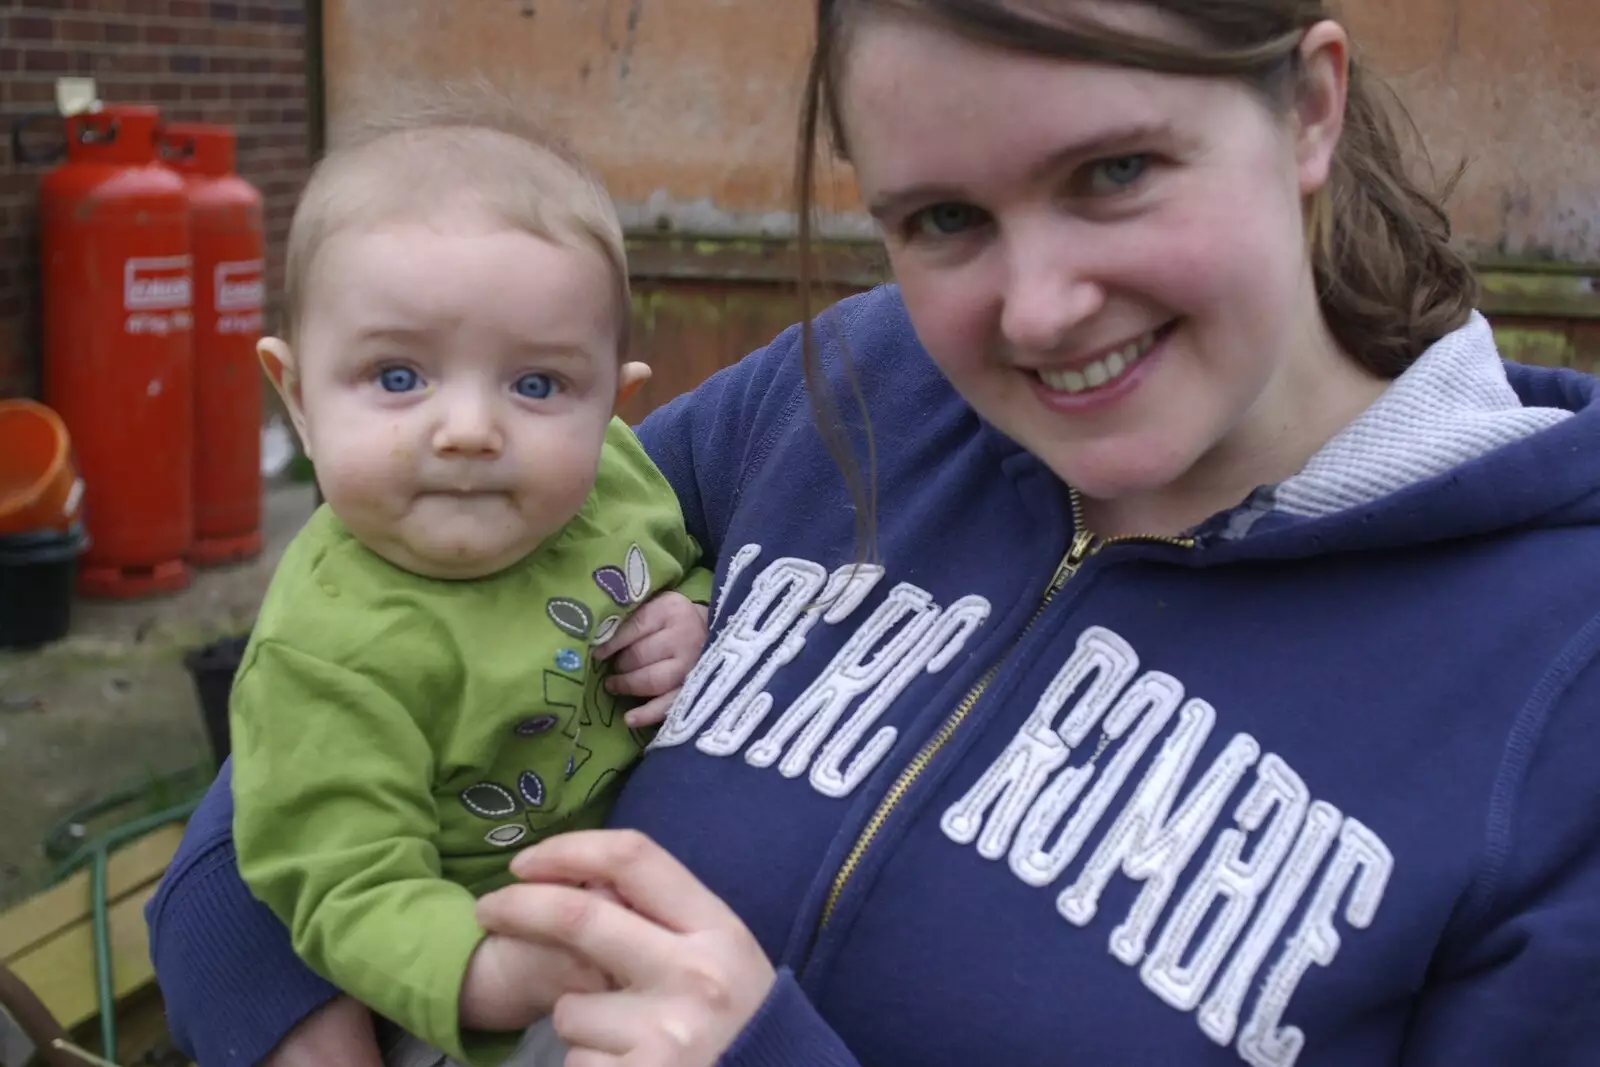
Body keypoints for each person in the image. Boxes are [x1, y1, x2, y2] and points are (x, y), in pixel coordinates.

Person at [147, 1, 1600, 1064]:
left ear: (1309, 110)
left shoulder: (1557, 676)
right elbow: (295, 766)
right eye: (945, 217)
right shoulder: (845, 388)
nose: (1037, 311)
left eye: (1113, 173)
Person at [217, 88, 714, 1067]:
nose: (469, 429)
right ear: (297, 396)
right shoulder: (326, 652)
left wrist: (687, 618)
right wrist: (494, 972)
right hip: (465, 987)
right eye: (399, 376)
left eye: (537, 384)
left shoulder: (616, 481)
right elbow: (350, 886)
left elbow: (681, 564)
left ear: (613, 407)